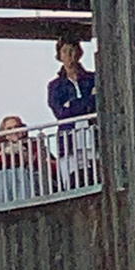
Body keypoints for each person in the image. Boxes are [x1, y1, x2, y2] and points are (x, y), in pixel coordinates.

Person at [46, 39, 98, 190]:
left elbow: (97, 104)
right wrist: (87, 101)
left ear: (79, 53)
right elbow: (60, 112)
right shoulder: (55, 86)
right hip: (69, 139)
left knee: (97, 173)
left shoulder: (92, 78)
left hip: (93, 135)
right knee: (72, 180)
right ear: (59, 55)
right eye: (64, 51)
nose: (69, 55)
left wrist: (72, 104)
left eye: (72, 50)